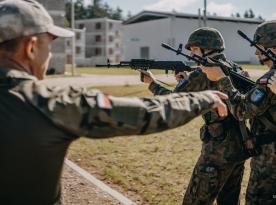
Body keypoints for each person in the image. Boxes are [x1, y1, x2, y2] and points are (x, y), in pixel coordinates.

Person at [0, 1, 229, 204]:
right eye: (48, 45)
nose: (49, 54)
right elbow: (147, 113)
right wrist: (204, 98)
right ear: (30, 47)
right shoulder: (50, 102)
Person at [142, 27, 249, 205]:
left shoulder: (202, 72)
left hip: (217, 150)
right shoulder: (235, 68)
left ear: (206, 48)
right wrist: (186, 81)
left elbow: (172, 102)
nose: (190, 53)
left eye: (193, 48)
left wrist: (152, 83)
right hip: (240, 146)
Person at [198, 21, 276, 205]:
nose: (257, 53)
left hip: (269, 161)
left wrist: (222, 80)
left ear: (273, 47)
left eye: (260, 47)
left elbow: (242, 111)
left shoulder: (271, 78)